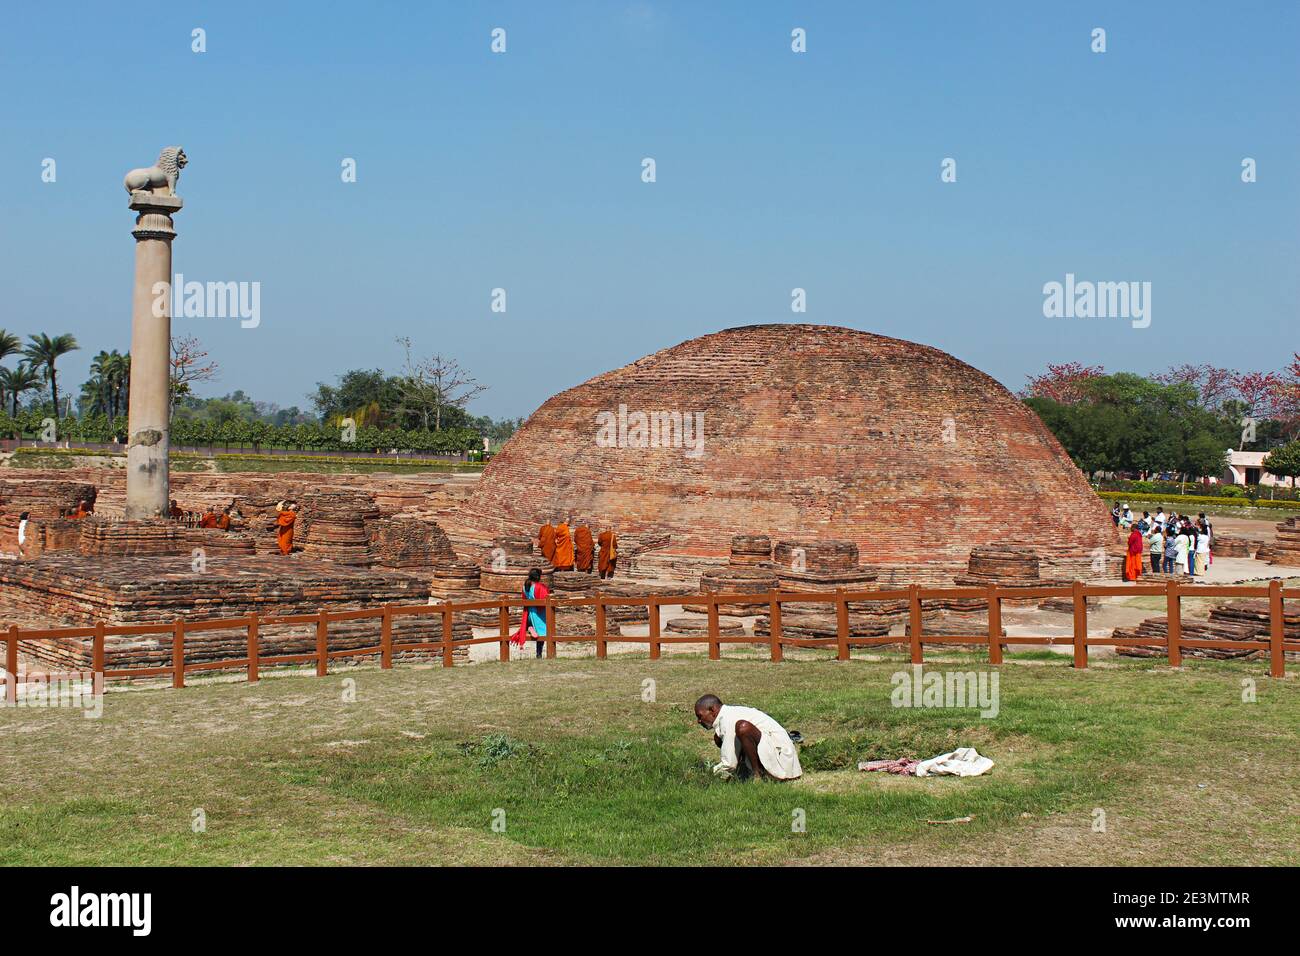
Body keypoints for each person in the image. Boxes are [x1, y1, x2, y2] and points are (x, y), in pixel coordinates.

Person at [694, 694, 802, 782]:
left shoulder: (728, 719)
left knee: (743, 728)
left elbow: (729, 763)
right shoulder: (727, 714)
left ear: (712, 710)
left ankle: (757, 776)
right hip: (770, 748)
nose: (699, 721)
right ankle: (747, 771)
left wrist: (708, 774)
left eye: (700, 716)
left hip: (781, 757)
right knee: (718, 738)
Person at [511, 567, 549, 659]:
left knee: (539, 631)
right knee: (542, 632)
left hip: (528, 614)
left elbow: (524, 599)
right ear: (538, 577)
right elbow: (546, 598)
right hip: (538, 614)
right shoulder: (539, 586)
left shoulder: (525, 587)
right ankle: (538, 654)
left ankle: (530, 627)